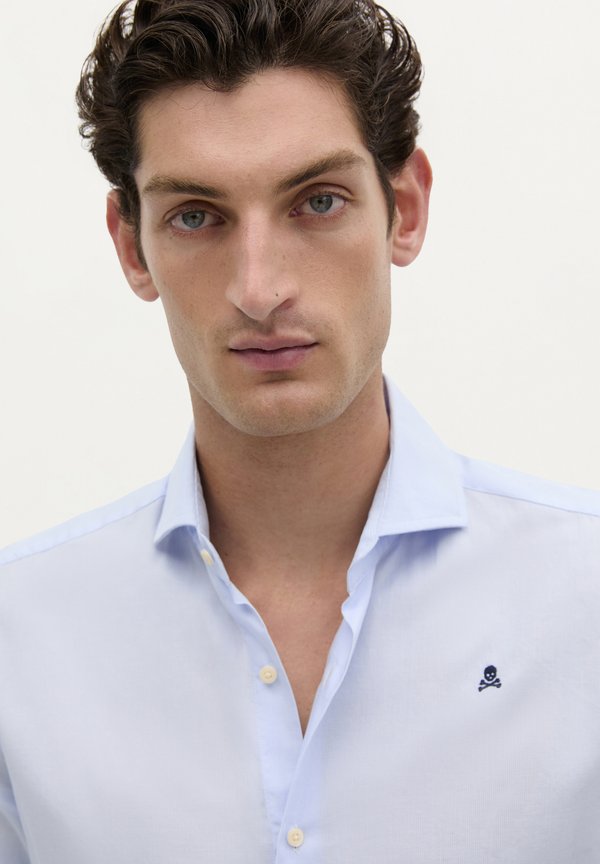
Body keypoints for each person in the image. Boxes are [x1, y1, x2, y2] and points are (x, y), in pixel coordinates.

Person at [0, 0, 598, 861]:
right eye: (196, 214)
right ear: (132, 247)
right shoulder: (21, 641)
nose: (260, 288)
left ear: (404, 208)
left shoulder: (583, 602)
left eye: (317, 201)